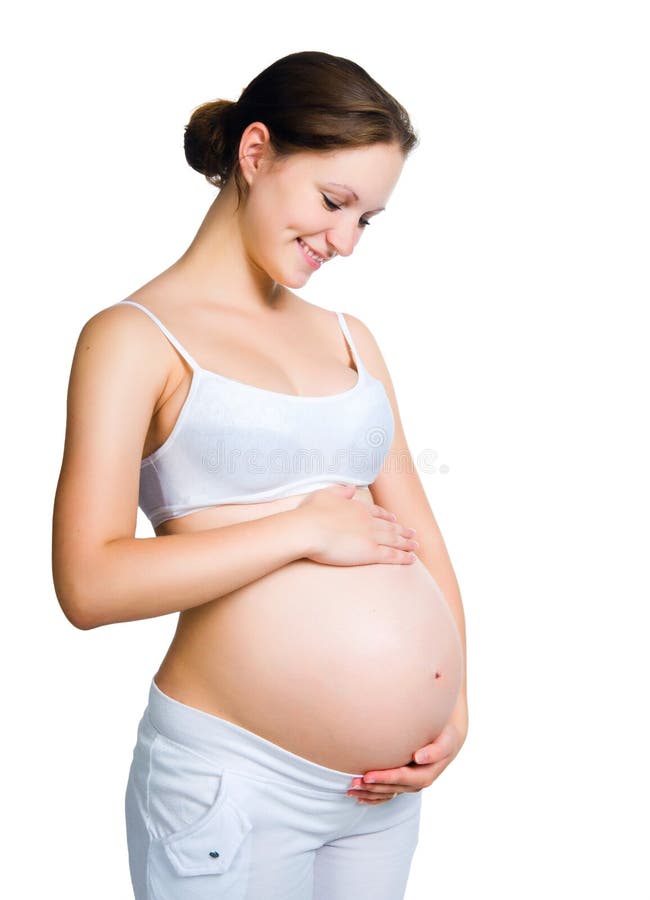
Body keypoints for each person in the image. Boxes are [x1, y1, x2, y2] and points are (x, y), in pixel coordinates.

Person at [52, 50, 468, 900]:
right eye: (333, 201)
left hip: (379, 796)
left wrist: (454, 701)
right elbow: (88, 583)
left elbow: (417, 528)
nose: (345, 242)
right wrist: (304, 529)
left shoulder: (351, 336)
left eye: (368, 219)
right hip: (233, 782)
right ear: (254, 154)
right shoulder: (132, 338)